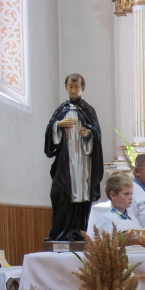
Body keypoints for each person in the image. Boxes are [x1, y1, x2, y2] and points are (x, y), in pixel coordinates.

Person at [44, 74, 104, 242]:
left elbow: (96, 135)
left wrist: (88, 135)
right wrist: (58, 125)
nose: (73, 90)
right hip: (66, 160)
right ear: (66, 87)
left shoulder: (88, 110)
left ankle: (77, 232)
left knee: (82, 195)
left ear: (82, 88)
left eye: (76, 87)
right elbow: (50, 132)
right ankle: (60, 233)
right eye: (70, 86)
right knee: (60, 192)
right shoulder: (61, 110)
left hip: (83, 161)